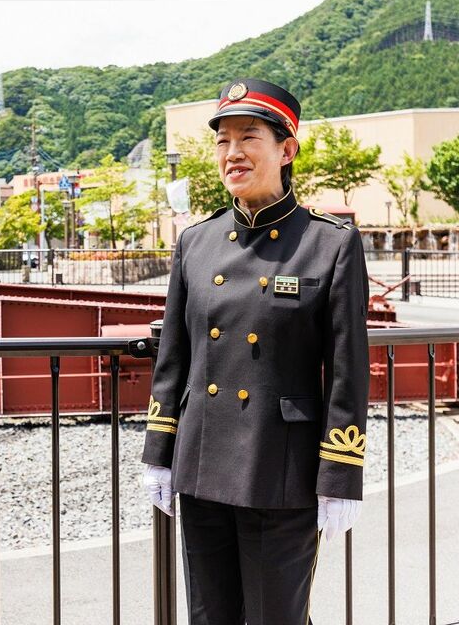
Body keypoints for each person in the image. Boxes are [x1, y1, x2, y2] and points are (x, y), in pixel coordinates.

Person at [141, 78, 370, 624]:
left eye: (249, 137)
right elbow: (173, 357)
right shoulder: (195, 242)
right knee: (208, 617)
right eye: (222, 140)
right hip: (200, 465)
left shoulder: (329, 244)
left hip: (280, 471)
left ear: (286, 149)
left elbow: (347, 371)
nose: (232, 153)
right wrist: (159, 450)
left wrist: (340, 473)